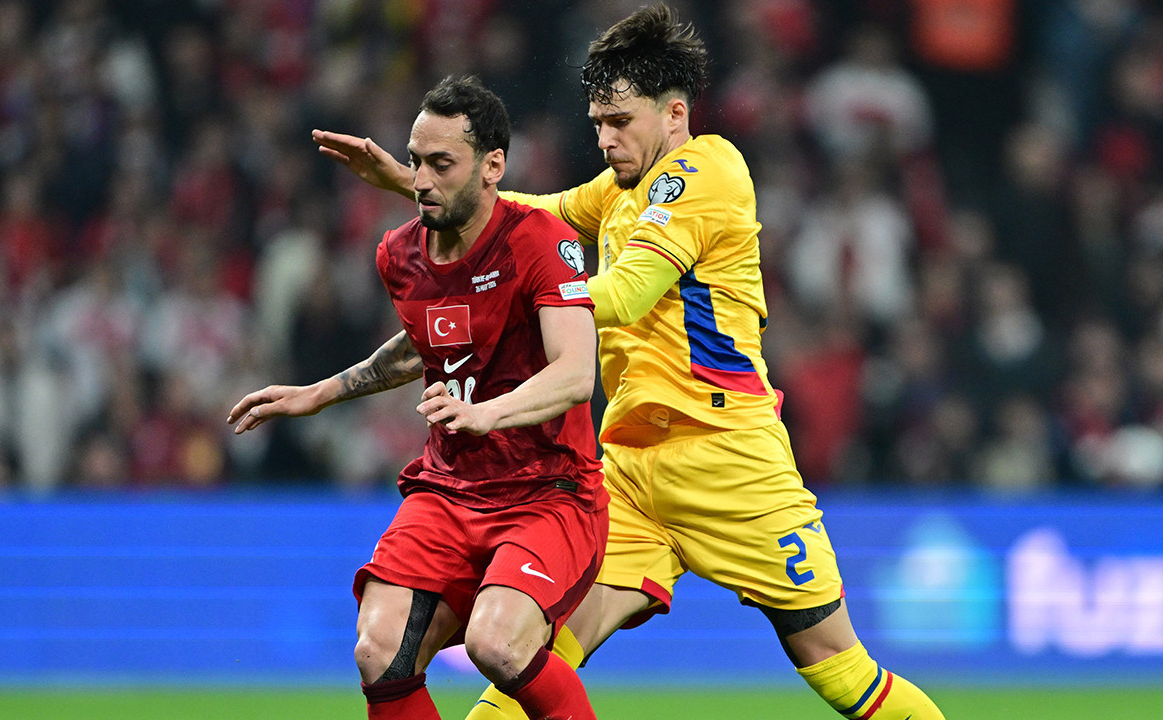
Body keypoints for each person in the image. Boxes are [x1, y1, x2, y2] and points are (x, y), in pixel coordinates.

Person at [312, 5, 946, 719]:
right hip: (628, 472)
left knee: (838, 672)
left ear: (674, 113)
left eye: (620, 121)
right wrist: (414, 184)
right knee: (526, 653)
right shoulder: (616, 193)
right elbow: (521, 210)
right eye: (597, 123)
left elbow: (627, 289)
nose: (606, 138)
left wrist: (513, 296)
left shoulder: (706, 170)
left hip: (728, 459)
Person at [229, 75, 608, 720]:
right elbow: (426, 342)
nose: (422, 181)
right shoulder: (399, 254)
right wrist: (320, 394)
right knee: (379, 649)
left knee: (497, 644)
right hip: (450, 489)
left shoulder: (541, 240)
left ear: (493, 167)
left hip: (549, 491)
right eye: (413, 162)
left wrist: (485, 413)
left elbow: (575, 372)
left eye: (441, 164)